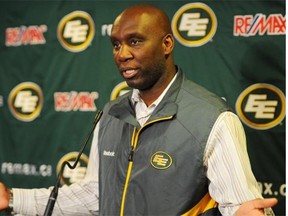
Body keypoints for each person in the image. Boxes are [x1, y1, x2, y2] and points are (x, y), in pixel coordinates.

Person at [0, 4, 278, 216]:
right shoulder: (110, 113)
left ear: (167, 44)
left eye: (135, 41)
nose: (122, 54)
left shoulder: (213, 119)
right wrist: (12, 199)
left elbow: (241, 206)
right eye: (116, 44)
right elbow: (96, 195)